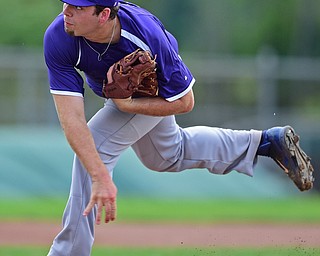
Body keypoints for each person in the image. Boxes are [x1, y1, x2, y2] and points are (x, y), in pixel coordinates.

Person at [44, 0, 314, 255]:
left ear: (103, 15)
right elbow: (72, 121)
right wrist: (100, 175)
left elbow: (185, 102)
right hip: (124, 98)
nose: (66, 11)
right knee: (166, 155)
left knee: (95, 149)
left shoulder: (146, 34)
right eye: (66, 3)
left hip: (156, 95)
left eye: (78, 7)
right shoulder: (59, 36)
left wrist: (125, 111)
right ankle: (265, 143)